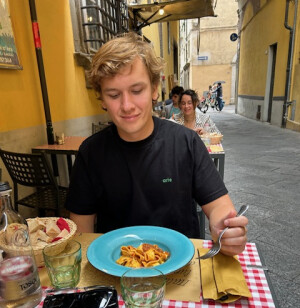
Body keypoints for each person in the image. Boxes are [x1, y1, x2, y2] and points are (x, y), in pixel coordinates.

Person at [66, 32, 248, 257]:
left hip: (183, 267)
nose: (127, 105)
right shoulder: (91, 153)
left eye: (136, 90)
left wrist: (225, 229)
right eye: (114, 95)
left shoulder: (186, 142)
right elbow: (81, 233)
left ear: (154, 89)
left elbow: (219, 205)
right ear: (102, 99)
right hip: (117, 271)